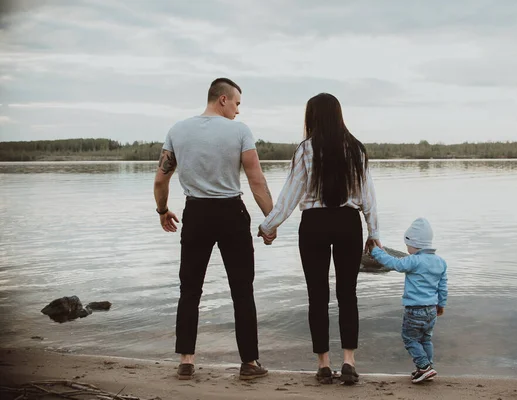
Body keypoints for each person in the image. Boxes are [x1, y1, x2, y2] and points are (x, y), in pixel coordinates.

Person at [153, 78, 275, 381]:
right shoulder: (239, 132)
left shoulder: (177, 130)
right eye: (236, 104)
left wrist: (162, 210)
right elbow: (256, 179)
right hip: (231, 213)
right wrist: (270, 220)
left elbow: (160, 180)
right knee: (242, 291)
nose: (237, 111)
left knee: (190, 289)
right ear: (223, 99)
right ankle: (249, 363)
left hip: (196, 213)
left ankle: (186, 361)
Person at [258, 93, 380, 385]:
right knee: (348, 294)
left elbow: (291, 194)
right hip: (349, 223)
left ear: (312, 117)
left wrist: (268, 226)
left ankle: (324, 365)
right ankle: (349, 360)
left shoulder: (306, 149)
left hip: (314, 224)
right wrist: (374, 233)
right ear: (338, 115)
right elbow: (368, 196)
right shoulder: (357, 150)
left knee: (317, 295)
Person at [368, 217, 448, 384]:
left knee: (410, 339)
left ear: (415, 243)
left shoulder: (414, 260)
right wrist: (441, 304)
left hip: (414, 309)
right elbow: (443, 286)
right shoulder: (440, 262)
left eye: (408, 245)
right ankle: (426, 368)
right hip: (432, 310)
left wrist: (376, 251)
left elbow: (394, 264)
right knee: (425, 339)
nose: (407, 249)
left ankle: (424, 366)